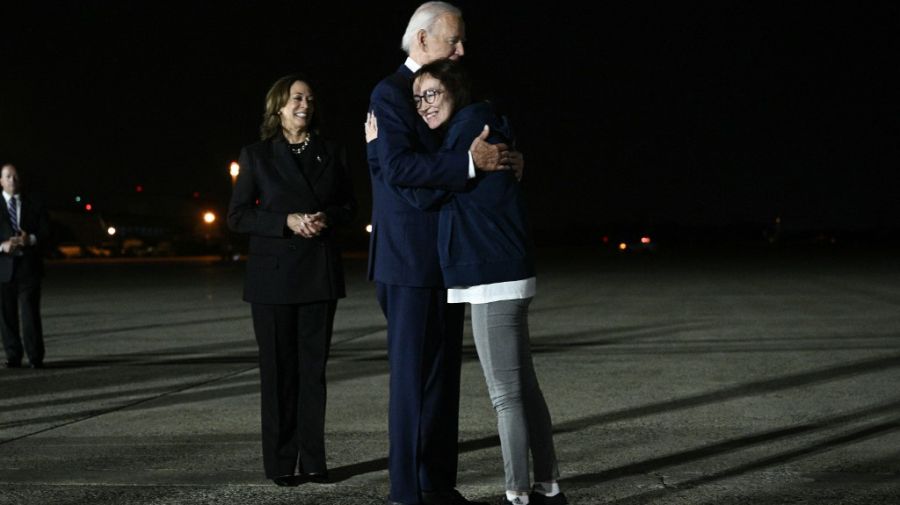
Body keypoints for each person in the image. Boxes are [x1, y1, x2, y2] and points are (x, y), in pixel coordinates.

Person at [365, 59, 568, 505]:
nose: (423, 106)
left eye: (432, 94)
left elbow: (423, 188)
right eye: (417, 98)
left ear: (455, 91)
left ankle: (518, 494)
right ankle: (548, 486)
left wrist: (378, 151)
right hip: (506, 271)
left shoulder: (469, 132)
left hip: (491, 276)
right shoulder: (482, 124)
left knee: (505, 397)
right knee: (524, 389)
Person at [365, 2, 518, 505]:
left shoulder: (446, 90)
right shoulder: (388, 94)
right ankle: (404, 493)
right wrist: (465, 168)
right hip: (406, 261)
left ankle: (437, 484)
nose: (462, 49)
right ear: (424, 39)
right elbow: (403, 173)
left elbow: (433, 162)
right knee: (410, 382)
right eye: (454, 40)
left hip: (444, 256)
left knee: (443, 379)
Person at [227, 73, 356, 486]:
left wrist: (326, 217)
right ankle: (282, 462)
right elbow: (238, 216)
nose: (305, 104)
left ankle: (314, 459)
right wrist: (285, 220)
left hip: (318, 276)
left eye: (310, 99)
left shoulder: (332, 152)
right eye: (297, 98)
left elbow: (350, 206)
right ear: (278, 106)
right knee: (279, 373)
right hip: (274, 280)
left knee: (312, 372)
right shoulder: (256, 155)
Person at [0, 163, 51, 370]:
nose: (12, 180)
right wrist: (2, 246)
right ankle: (13, 356)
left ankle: (35, 356)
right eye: (8, 176)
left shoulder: (35, 203)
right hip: (3, 269)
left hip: (28, 268)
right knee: (6, 316)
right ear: (1, 181)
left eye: (15, 176)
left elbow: (47, 231)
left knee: (30, 313)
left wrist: (29, 239)